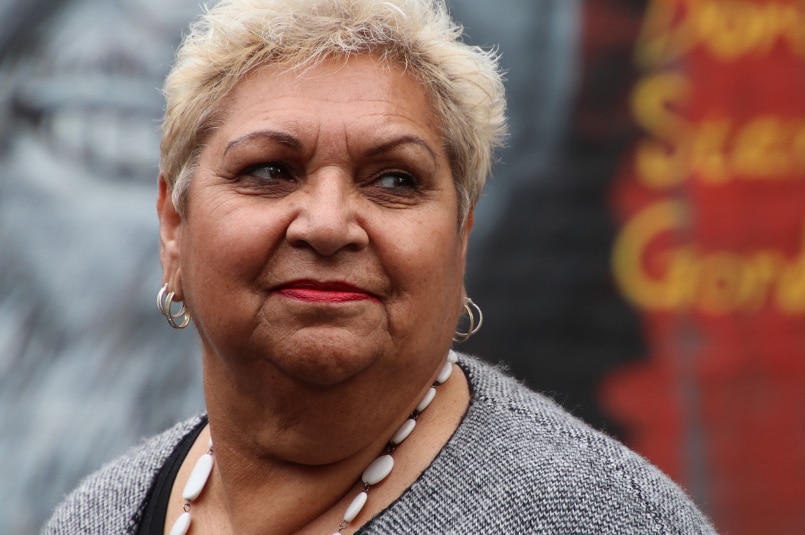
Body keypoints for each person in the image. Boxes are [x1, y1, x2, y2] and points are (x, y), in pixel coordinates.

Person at [43, 0, 718, 533]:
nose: (329, 224)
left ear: (460, 234)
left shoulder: (597, 518)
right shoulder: (101, 515)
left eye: (394, 180)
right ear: (174, 225)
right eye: (270, 170)